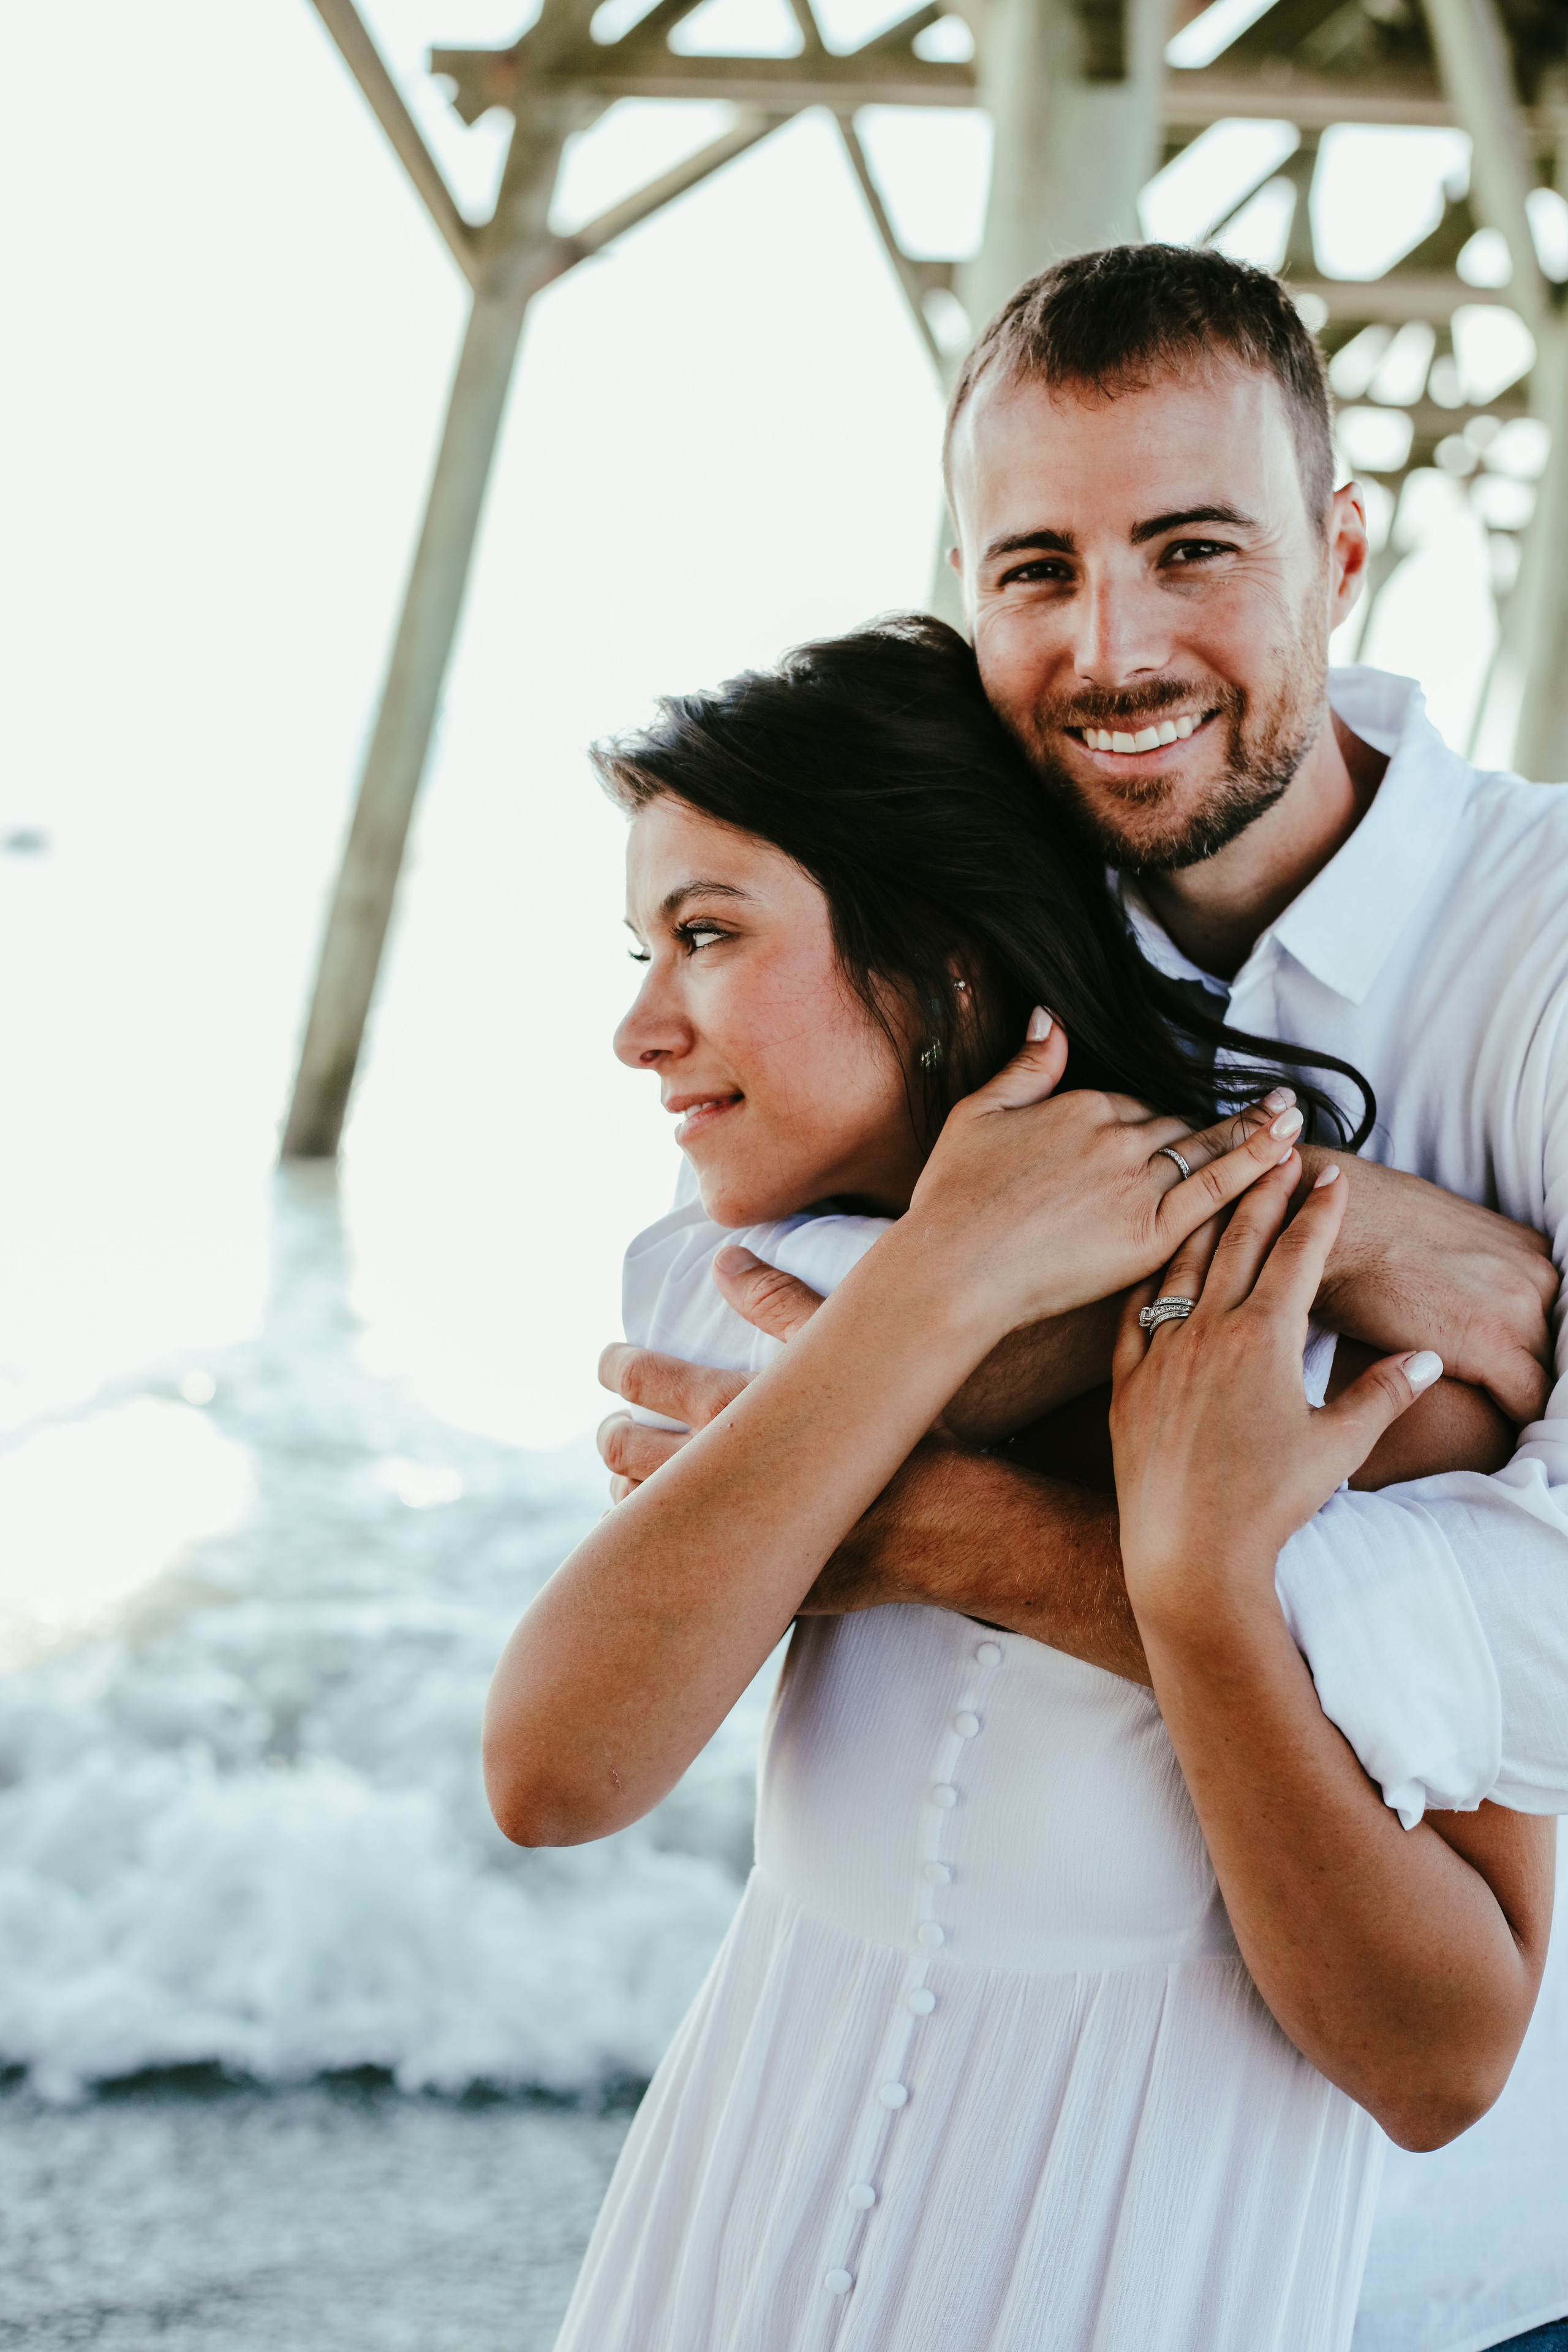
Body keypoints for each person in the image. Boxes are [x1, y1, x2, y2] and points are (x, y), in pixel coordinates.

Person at [599, 246, 1568, 2352]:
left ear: (1343, 552)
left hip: (1454, 2269)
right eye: (1038, 568)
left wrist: (937, 1520)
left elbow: (1555, 1646)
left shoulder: (1550, 953)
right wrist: (1351, 1220)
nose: (1112, 648)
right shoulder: (954, 937)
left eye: (1194, 551)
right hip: (932, 2206)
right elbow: (717, 1331)